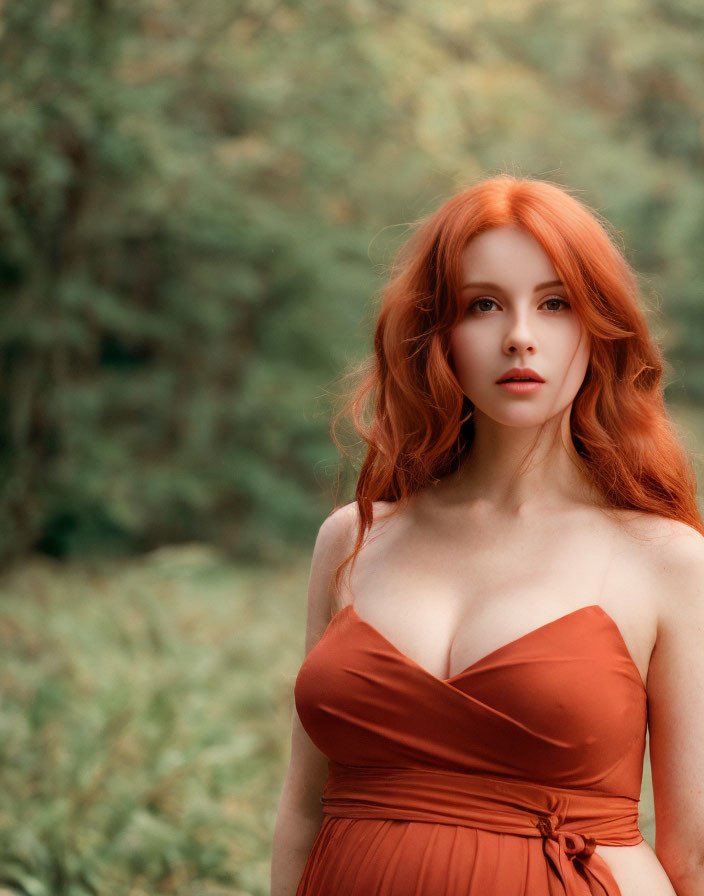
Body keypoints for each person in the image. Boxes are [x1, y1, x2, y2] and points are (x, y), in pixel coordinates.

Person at [270, 175, 704, 896]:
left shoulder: (669, 561)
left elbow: (694, 856)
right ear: (436, 331)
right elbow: (300, 813)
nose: (521, 337)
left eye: (556, 303)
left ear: (600, 329)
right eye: (483, 305)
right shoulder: (352, 540)